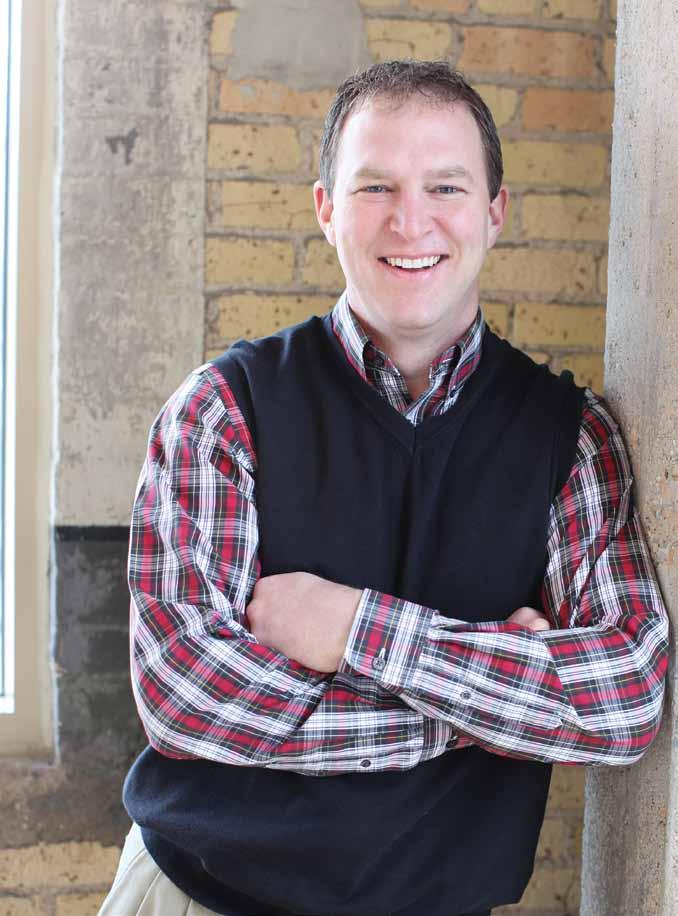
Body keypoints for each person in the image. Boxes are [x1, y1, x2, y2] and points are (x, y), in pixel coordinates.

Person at [99, 60, 669, 916]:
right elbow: (187, 698)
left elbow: (623, 699)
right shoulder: (222, 412)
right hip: (196, 895)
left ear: (494, 212)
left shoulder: (571, 439)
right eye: (375, 187)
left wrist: (353, 629)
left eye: (446, 186)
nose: (411, 220)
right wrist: (490, 701)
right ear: (326, 208)